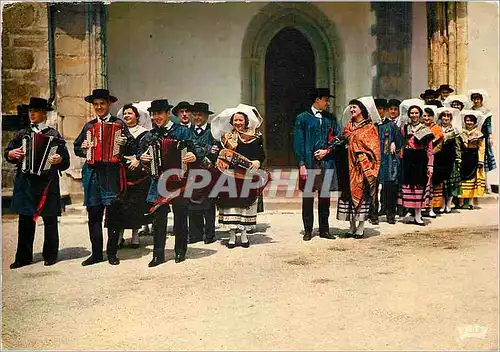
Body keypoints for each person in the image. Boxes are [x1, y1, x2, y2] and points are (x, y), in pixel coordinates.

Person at [5, 97, 70, 269]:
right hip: (26, 182)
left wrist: (59, 159)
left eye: (35, 111)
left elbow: (66, 161)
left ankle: (50, 255)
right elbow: (8, 152)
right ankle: (23, 257)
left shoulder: (53, 135)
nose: (31, 114)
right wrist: (11, 154)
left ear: (43, 113)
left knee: (50, 220)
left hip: (47, 182)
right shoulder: (22, 134)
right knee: (25, 219)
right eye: (29, 111)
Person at [74, 89, 134, 266]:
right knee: (94, 214)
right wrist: (84, 148)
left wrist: (124, 143)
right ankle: (96, 254)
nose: (99, 107)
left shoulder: (119, 124)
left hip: (112, 174)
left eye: (102, 103)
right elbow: (78, 148)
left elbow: (132, 147)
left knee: (113, 215)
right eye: (96, 104)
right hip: (92, 174)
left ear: (109, 105)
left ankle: (112, 253)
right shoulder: (89, 126)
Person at [139, 99, 201, 266]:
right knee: (159, 219)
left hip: (180, 181)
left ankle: (180, 251)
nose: (156, 117)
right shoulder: (150, 135)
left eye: (159, 113)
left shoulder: (182, 131)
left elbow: (198, 149)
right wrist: (142, 158)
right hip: (158, 182)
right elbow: (141, 154)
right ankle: (158, 255)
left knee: (180, 217)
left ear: (167, 114)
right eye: (153, 114)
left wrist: (194, 156)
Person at [293, 88, 341, 241]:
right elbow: (298, 142)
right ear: (317, 100)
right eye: (326, 100)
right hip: (309, 163)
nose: (327, 103)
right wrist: (301, 164)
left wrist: (327, 151)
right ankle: (308, 230)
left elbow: (338, 138)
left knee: (325, 197)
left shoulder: (330, 118)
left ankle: (324, 230)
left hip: (326, 162)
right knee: (308, 197)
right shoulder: (303, 118)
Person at [217, 111, 266, 248]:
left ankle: (244, 235)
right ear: (232, 122)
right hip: (230, 176)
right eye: (235, 120)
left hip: (248, 176)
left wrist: (257, 161)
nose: (238, 123)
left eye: (241, 120)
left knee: (245, 204)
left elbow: (261, 154)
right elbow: (221, 156)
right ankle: (232, 236)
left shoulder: (255, 136)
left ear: (246, 121)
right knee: (231, 206)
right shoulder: (226, 138)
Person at [336, 97, 380, 238]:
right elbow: (345, 140)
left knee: (363, 195)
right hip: (347, 165)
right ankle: (351, 226)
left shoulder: (370, 128)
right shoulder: (348, 126)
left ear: (362, 110)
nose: (352, 109)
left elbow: (374, 148)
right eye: (351, 107)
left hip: (362, 167)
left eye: (355, 107)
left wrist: (359, 151)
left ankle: (360, 227)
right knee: (348, 195)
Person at [109, 104, 152, 249]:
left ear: (137, 116)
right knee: (120, 204)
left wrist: (137, 159)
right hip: (121, 172)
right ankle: (119, 236)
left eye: (130, 113)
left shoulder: (145, 133)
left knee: (135, 205)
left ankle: (135, 236)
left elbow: (146, 151)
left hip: (137, 173)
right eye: (125, 114)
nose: (127, 116)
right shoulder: (118, 131)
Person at [185, 102, 219, 244]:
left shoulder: (213, 131)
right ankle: (195, 234)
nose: (197, 117)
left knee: (208, 204)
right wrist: (205, 150)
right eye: (195, 115)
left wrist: (203, 152)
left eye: (200, 115)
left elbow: (216, 150)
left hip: (208, 172)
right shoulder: (187, 131)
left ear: (206, 116)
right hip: (191, 172)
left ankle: (209, 235)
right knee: (192, 204)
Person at [398, 103, 434, 226]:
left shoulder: (426, 129)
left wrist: (430, 165)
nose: (414, 115)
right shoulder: (404, 128)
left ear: (420, 115)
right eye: (412, 113)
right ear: (409, 115)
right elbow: (401, 143)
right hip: (408, 159)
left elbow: (430, 149)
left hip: (420, 159)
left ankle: (418, 216)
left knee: (419, 186)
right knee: (408, 186)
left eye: (416, 113)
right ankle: (411, 213)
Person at [374, 99, 403, 224]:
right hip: (374, 161)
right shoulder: (371, 125)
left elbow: (401, 141)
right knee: (373, 189)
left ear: (385, 110)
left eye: (381, 109)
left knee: (390, 188)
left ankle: (390, 214)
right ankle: (373, 215)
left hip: (388, 160)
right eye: (377, 109)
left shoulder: (391, 125)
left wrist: (394, 144)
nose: (379, 111)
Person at [458, 110, 486, 209]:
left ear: (474, 123)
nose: (469, 123)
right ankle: (461, 201)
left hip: (473, 156)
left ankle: (470, 202)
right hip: (463, 156)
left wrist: (481, 160)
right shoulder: (461, 132)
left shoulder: (479, 134)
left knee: (472, 178)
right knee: (462, 178)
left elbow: (482, 148)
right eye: (467, 120)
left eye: (471, 121)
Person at [436, 107, 462, 213]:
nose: (445, 118)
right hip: (439, 158)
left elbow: (457, 145)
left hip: (451, 158)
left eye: (448, 116)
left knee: (451, 183)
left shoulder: (454, 130)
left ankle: (448, 203)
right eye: (443, 116)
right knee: (442, 183)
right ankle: (441, 204)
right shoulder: (437, 129)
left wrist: (458, 157)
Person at [469, 89, 496, 189]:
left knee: (484, 160)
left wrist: (489, 137)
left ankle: (486, 183)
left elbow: (488, 125)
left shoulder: (486, 111)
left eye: (478, 99)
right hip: (472, 136)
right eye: (474, 99)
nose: (476, 101)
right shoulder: (470, 110)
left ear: (481, 100)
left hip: (483, 136)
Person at [422, 106, 444, 218]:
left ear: (432, 117)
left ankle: (431, 207)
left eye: (428, 116)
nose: (426, 118)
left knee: (431, 184)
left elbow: (439, 145)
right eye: (424, 115)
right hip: (420, 158)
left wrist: (429, 154)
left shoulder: (436, 129)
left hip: (433, 158)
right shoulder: (420, 127)